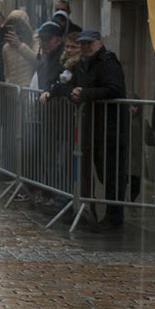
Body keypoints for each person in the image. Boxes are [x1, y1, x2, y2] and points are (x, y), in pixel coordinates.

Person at [45, 30, 128, 230]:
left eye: (90, 43)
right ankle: (88, 210)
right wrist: (59, 92)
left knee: (111, 174)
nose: (86, 47)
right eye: (83, 44)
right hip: (90, 125)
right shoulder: (82, 63)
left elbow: (114, 89)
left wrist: (86, 93)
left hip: (110, 126)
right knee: (92, 171)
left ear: (100, 43)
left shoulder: (108, 62)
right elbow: (68, 85)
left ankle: (114, 217)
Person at [1, 10, 38, 87]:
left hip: (28, 89)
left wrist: (20, 46)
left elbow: (37, 60)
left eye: (18, 25)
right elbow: (6, 72)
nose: (16, 28)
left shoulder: (34, 41)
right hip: (12, 90)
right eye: (12, 25)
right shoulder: (6, 47)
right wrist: (8, 83)